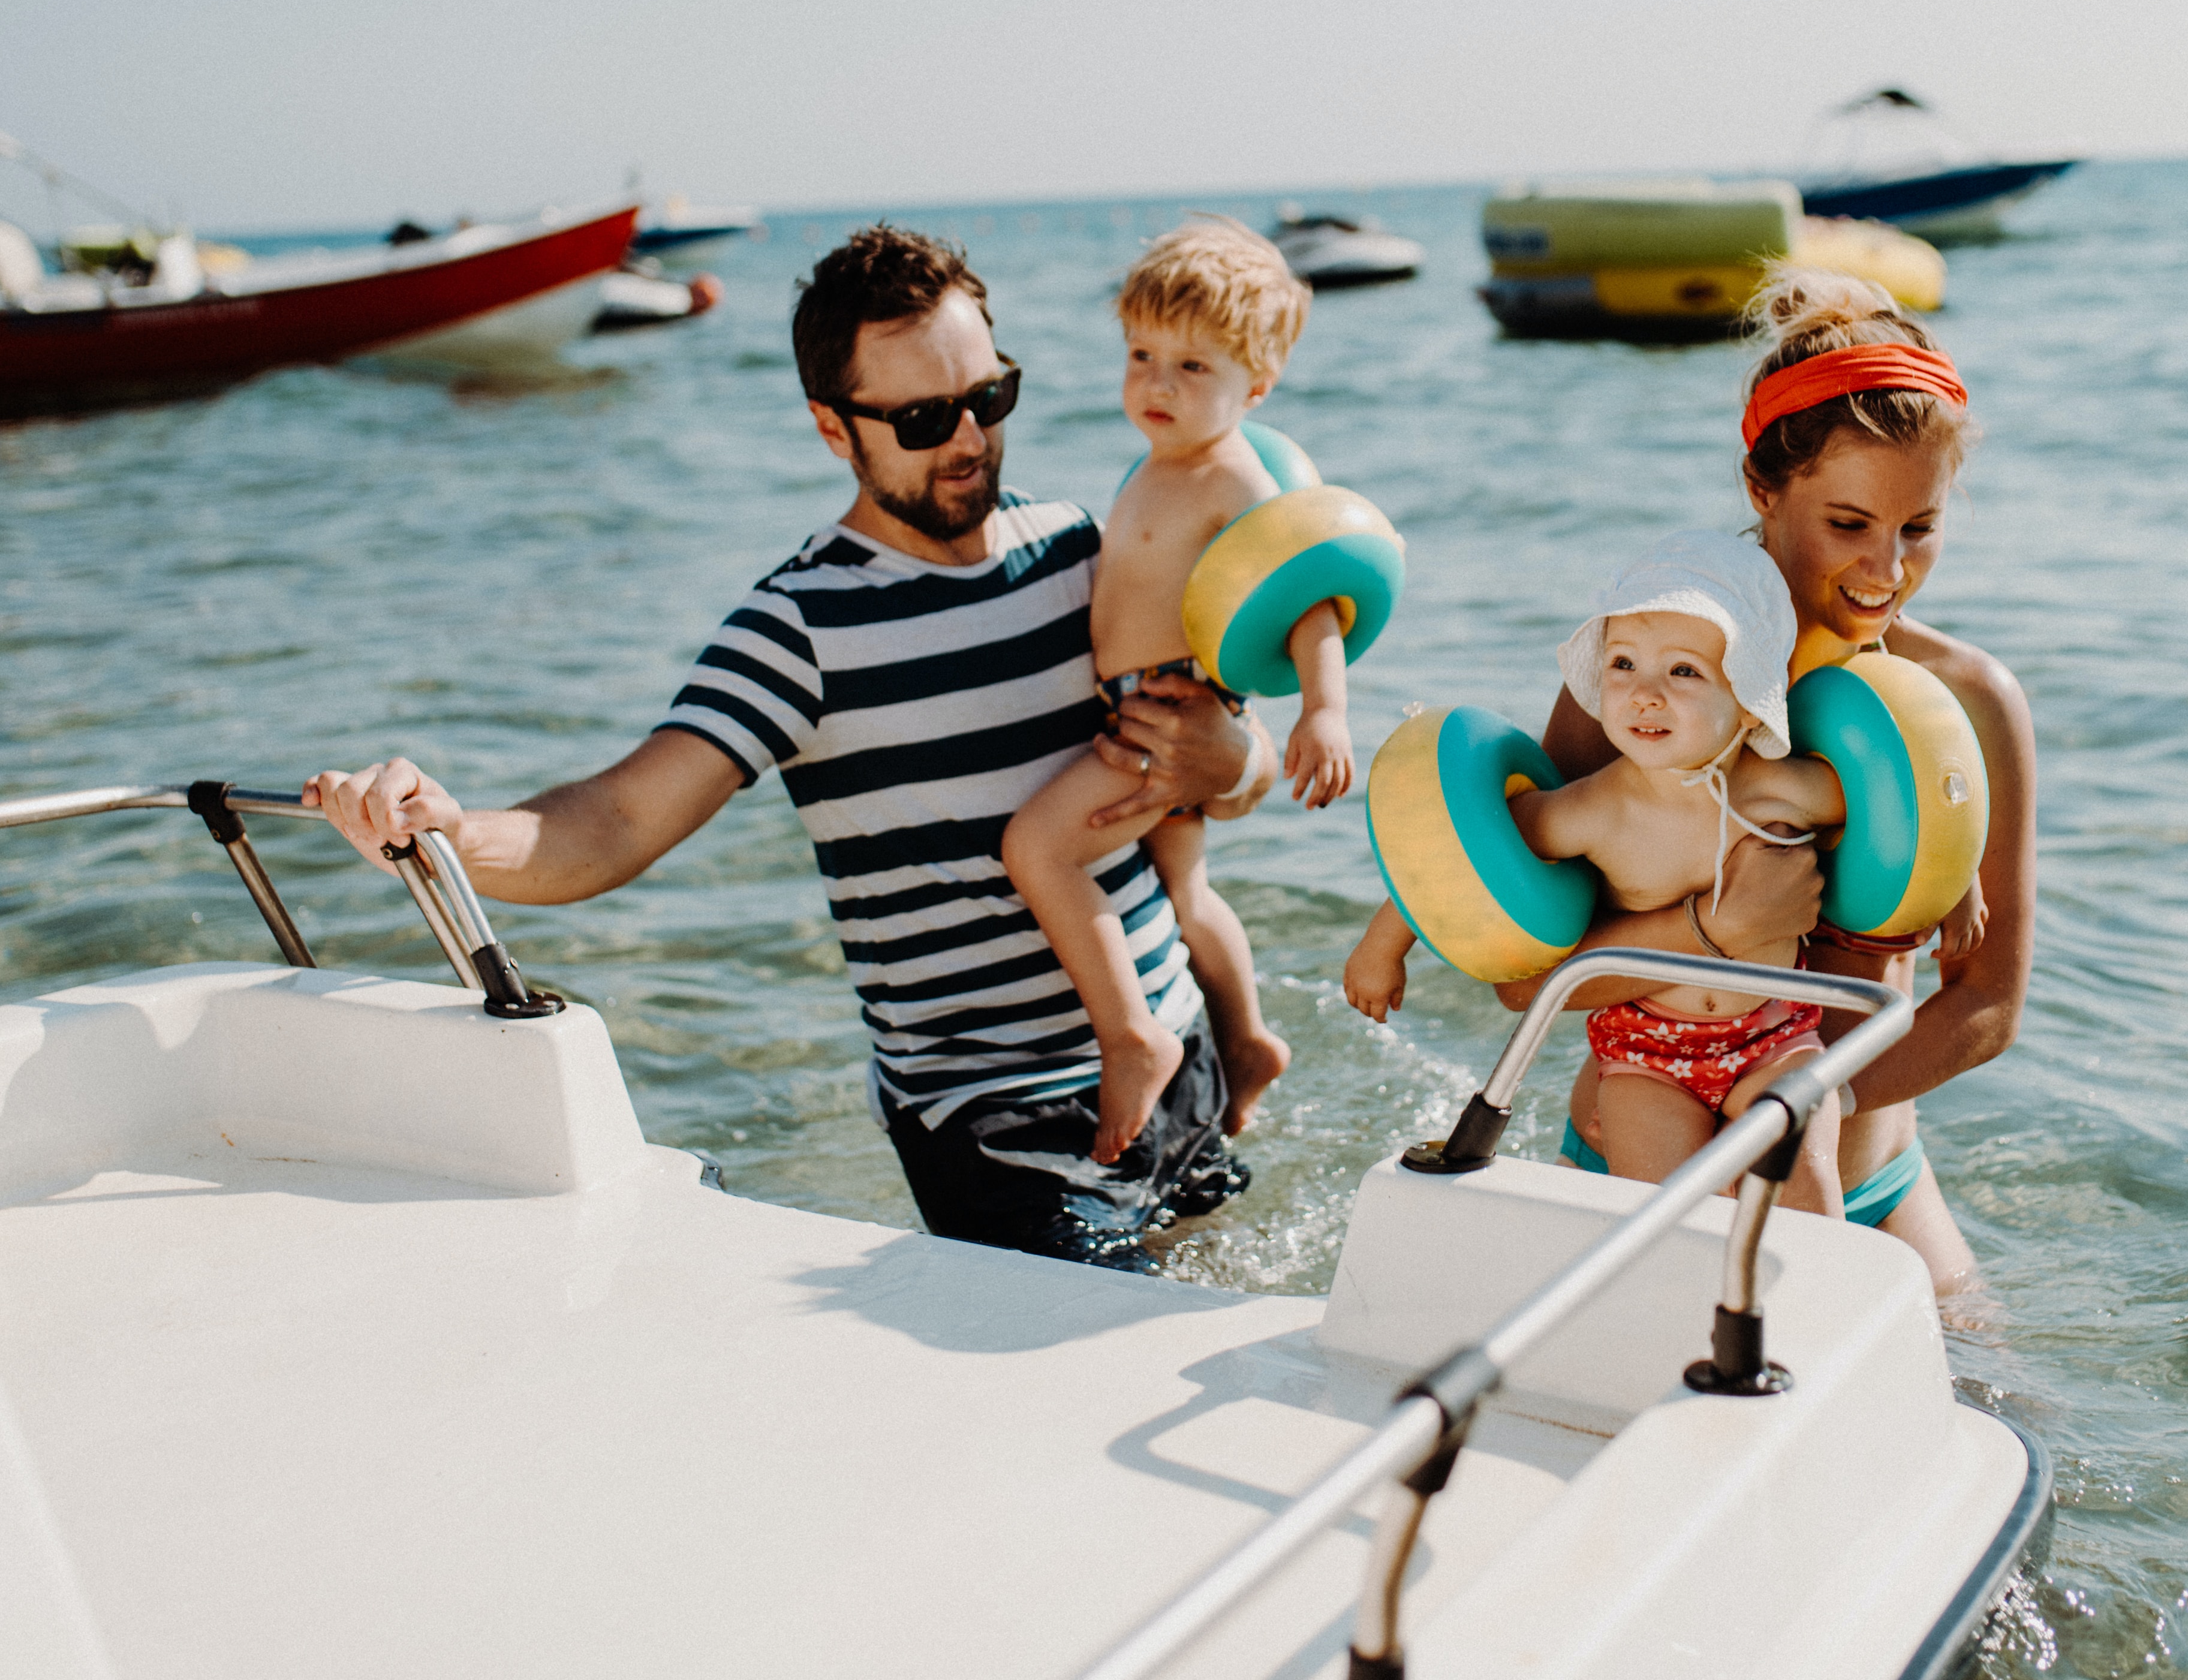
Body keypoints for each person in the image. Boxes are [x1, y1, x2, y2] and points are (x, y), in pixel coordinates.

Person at [303, 225, 1281, 1273]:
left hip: (1176, 1050)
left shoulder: (1083, 547)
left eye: (987, 398)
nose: (967, 442)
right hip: (989, 1120)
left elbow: (1227, 733)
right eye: (918, 418)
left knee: (1219, 1302)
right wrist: (451, 835)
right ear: (831, 427)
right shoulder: (799, 628)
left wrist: (1236, 761)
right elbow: (620, 817)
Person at [1345, 266, 2036, 1298]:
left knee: (2011, 1419)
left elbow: (1985, 1005)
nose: (1884, 569)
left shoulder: (1966, 702)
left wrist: (1800, 1112)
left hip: (1854, 1169)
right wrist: (1707, 931)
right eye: (1846, 524)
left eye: (1918, 527)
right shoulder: (1643, 684)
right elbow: (1523, 981)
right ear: (1762, 488)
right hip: (1640, 1154)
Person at [1345, 530, 1866, 1185]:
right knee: (1656, 1216)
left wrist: (1953, 887)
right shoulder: (1593, 811)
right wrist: (1383, 945)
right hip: (1647, 1056)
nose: (1644, 693)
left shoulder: (1780, 789)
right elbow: (1465, 865)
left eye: (1683, 671)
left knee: (1806, 1191)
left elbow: (1899, 835)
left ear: (1746, 696)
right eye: (1622, 664)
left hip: (1775, 1037)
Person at [1000, 221, 1343, 1160]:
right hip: (1142, 707)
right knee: (1185, 894)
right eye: (1142, 355)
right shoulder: (1162, 467)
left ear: (1256, 388)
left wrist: (1322, 710)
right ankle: (1246, 1038)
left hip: (1164, 714)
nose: (1156, 384)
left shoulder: (1234, 478)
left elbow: (1311, 595)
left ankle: (1132, 1036)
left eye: (1194, 368)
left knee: (1040, 847)